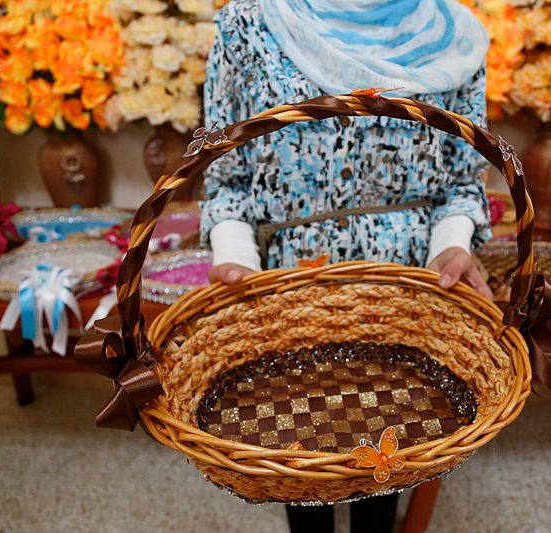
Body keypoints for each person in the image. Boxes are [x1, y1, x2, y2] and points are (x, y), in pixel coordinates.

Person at [201, 1, 491, 531]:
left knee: (388, 457)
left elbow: (463, 181)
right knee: (296, 457)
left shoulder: (453, 35)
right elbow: (224, 175)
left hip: (404, 288)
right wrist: (236, 259)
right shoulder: (249, 23)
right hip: (289, 286)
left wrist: (453, 244)